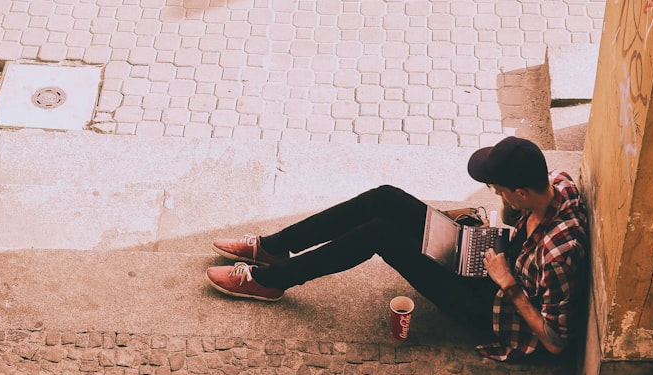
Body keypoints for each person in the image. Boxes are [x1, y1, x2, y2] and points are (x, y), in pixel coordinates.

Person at [206, 136, 589, 362]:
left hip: (490, 305)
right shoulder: (557, 182)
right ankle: (274, 247)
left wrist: (507, 283)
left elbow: (555, 342)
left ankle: (272, 280)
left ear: (522, 192)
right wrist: (497, 216)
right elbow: (514, 209)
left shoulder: (560, 254)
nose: (497, 195)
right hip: (492, 258)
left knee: (381, 234)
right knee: (386, 198)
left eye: (501, 190)